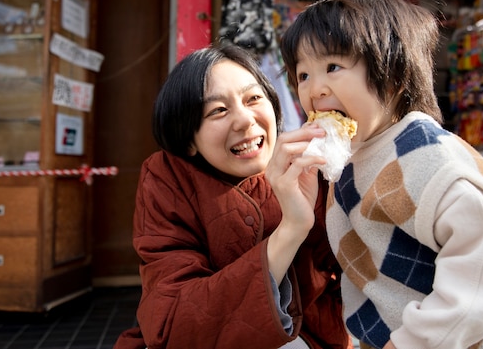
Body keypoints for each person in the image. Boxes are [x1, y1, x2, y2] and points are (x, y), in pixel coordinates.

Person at [278, 0, 483, 349]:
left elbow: (481, 269)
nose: (314, 89)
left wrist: (412, 342)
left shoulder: (424, 153)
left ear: (394, 74)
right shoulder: (351, 157)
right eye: (303, 74)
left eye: (333, 67)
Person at [113, 44, 352, 349]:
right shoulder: (168, 179)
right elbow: (174, 323)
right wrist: (291, 230)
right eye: (218, 110)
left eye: (253, 98)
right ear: (189, 141)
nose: (245, 121)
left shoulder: (314, 164)